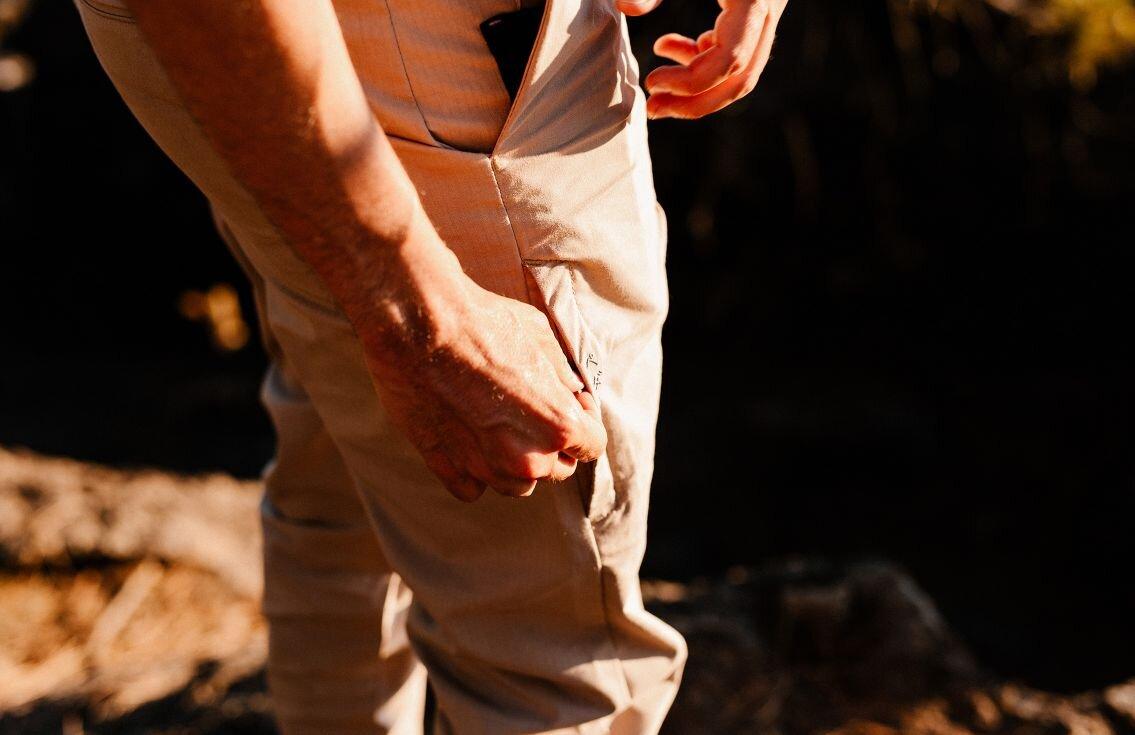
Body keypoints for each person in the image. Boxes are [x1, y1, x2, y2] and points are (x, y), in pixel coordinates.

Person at [73, 0, 787, 732]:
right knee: (555, 669)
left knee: (343, 502)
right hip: (419, 67)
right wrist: (413, 305)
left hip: (288, 54)